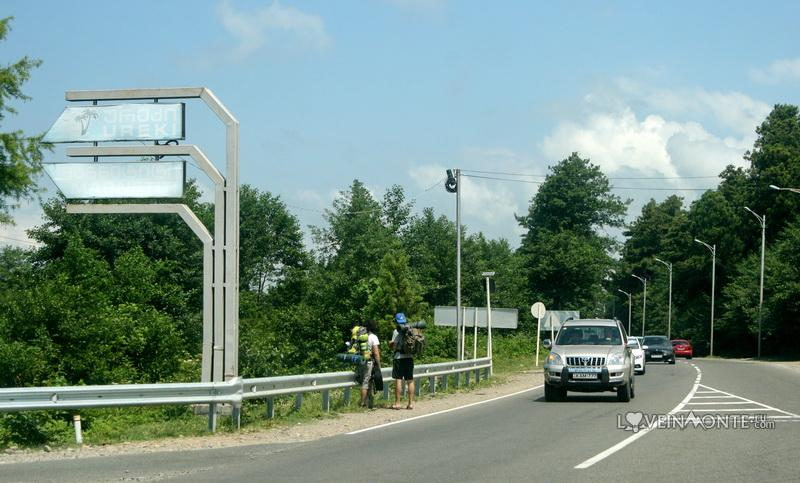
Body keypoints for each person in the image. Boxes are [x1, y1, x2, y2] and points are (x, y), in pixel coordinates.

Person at [389, 312, 415, 410]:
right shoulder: (411, 329)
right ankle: (411, 403)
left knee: (398, 380)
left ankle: (398, 403)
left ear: (396, 321)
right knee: (410, 380)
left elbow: (394, 346)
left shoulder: (396, 331)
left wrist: (390, 344)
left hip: (399, 358)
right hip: (409, 358)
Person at [359, 320, 381, 408]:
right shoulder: (373, 337)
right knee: (366, 382)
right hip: (369, 362)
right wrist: (379, 364)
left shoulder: (361, 336)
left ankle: (368, 402)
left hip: (360, 361)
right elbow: (376, 352)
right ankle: (363, 403)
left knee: (365, 381)